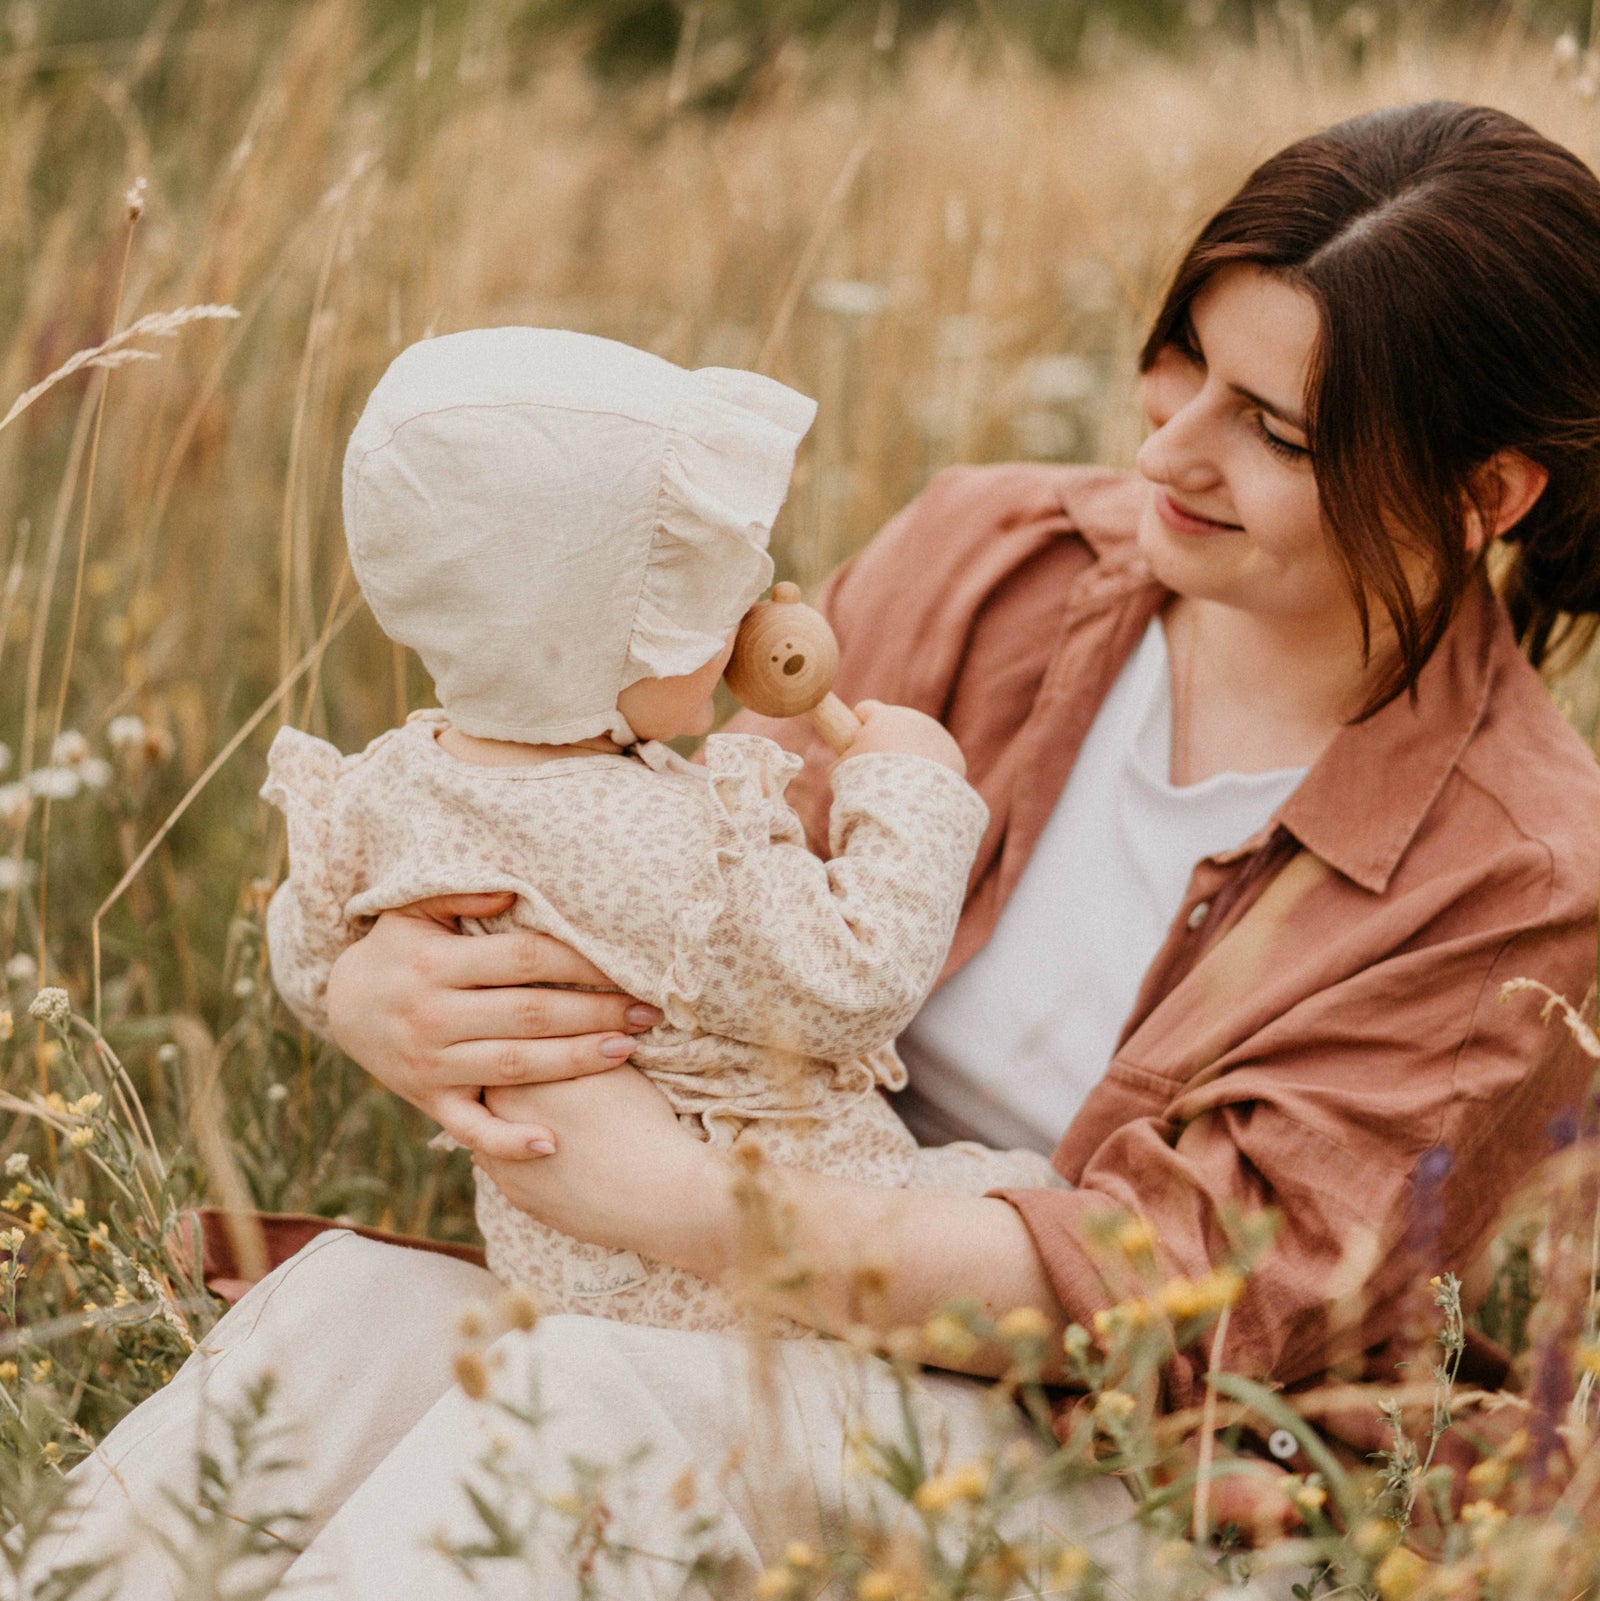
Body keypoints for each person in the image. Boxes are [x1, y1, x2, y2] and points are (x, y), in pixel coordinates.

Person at [42, 101, 1600, 1599]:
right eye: (1182, 360)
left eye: (1268, 429)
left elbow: (1182, 1298)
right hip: (730, 1297)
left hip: (1115, 1459)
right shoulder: (996, 554)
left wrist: (680, 1209)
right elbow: (633, 857)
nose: (1170, 453)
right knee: (347, 1320)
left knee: (588, 1400)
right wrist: (373, 982)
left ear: (1485, 496)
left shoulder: (1525, 870)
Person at [262, 325, 1056, 1333]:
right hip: (742, 1271)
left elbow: (305, 944)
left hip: (565, 1258)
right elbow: (853, 983)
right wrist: (911, 788)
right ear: (611, 630)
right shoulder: (657, 849)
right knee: (1046, 1198)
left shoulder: (396, 782)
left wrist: (351, 990)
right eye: (708, 592)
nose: (754, 612)